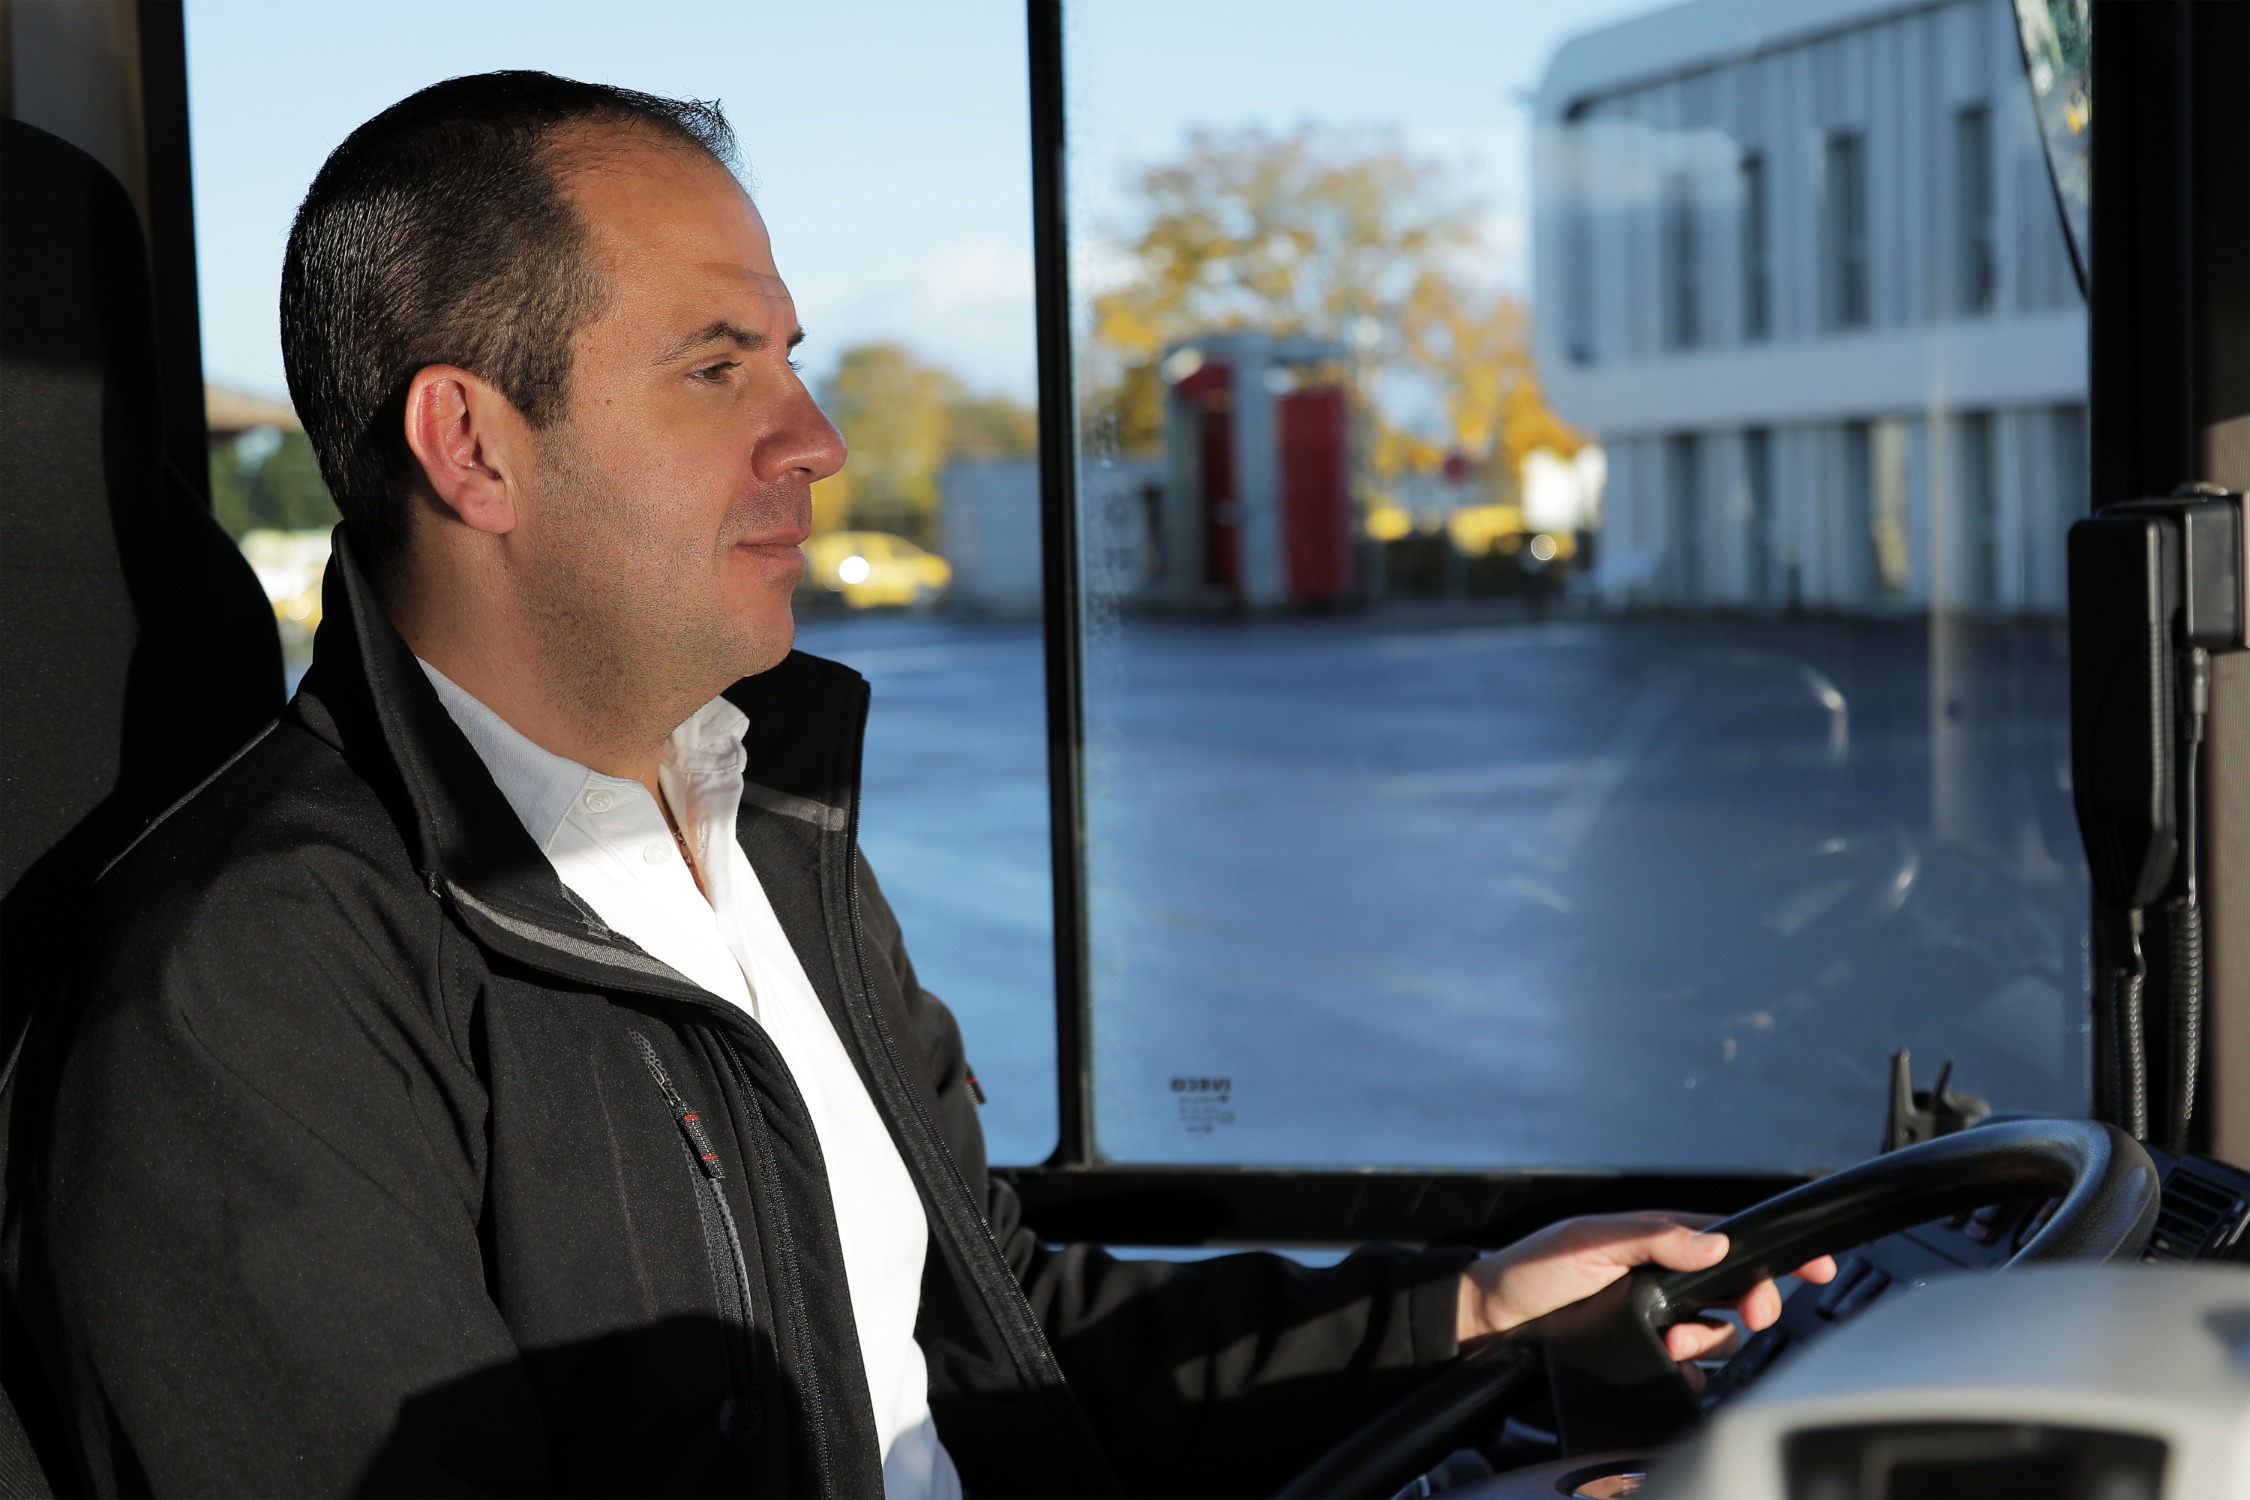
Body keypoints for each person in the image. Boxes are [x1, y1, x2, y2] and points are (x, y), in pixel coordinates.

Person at [4, 72, 1828, 1499]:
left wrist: (1460, 1312)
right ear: (472, 443)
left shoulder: (754, 830)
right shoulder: (248, 999)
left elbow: (987, 1339)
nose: (815, 438)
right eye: (718, 369)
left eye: (788, 358)